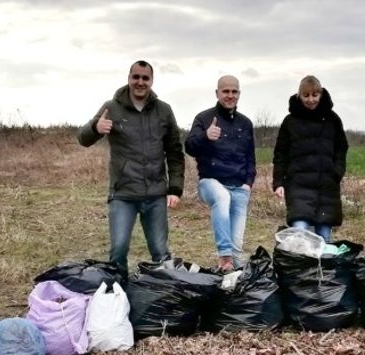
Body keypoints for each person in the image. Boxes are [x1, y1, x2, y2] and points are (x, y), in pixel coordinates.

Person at [78, 60, 184, 271]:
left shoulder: (164, 110)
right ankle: (117, 296)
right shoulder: (111, 107)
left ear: (152, 81)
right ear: (128, 78)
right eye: (136, 77)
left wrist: (175, 189)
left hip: (155, 194)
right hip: (123, 194)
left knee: (160, 252)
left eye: (145, 78)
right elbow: (83, 138)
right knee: (118, 250)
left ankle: (161, 295)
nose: (140, 82)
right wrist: (95, 128)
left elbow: (174, 152)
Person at [184, 75, 255, 272]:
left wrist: (248, 183)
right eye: (226, 91)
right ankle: (224, 255)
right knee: (222, 198)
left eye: (234, 91)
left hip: (240, 187)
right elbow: (189, 146)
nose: (230, 95)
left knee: (237, 253)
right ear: (217, 93)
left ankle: (229, 278)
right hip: (211, 182)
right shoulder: (204, 118)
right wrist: (205, 137)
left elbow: (251, 157)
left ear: (239, 94)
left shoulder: (246, 123)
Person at [272, 75, 348, 242]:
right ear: (299, 96)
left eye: (315, 95)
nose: (311, 100)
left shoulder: (333, 119)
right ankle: (301, 267)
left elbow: (341, 148)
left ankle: (321, 268)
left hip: (326, 186)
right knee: (300, 233)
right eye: (306, 95)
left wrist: (337, 172)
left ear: (320, 94)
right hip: (298, 185)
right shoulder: (290, 121)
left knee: (323, 238)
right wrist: (278, 182)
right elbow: (280, 154)